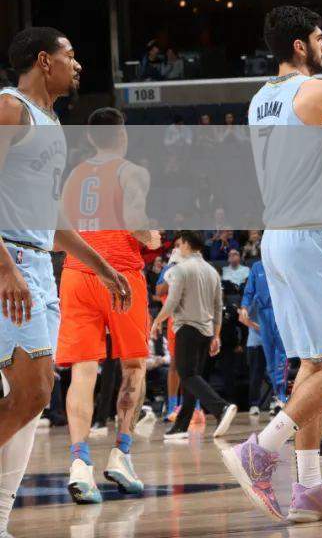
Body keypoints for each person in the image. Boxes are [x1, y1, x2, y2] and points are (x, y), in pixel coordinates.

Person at [224, 6, 322, 522]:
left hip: (276, 238)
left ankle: (308, 487)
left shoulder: (260, 99)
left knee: (314, 364)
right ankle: (261, 450)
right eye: (319, 37)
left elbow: (297, 166)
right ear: (299, 45)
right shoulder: (319, 89)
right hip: (308, 239)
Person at [0, 28, 132, 538]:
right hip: (10, 261)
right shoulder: (10, 108)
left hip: (37, 265)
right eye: (70, 56)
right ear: (43, 60)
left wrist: (101, 266)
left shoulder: (51, 123)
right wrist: (5, 268)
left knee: (29, 399)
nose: (77, 65)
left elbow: (51, 219)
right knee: (34, 391)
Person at [57, 107, 162, 503]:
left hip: (77, 273)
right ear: (123, 135)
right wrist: (150, 237)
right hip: (120, 275)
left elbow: (59, 231)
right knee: (133, 366)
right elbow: (134, 218)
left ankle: (79, 462)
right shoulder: (132, 171)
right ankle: (121, 454)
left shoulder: (74, 175)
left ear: (89, 138)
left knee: (83, 372)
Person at [150, 231, 238, 441]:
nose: (177, 249)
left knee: (187, 375)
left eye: (179, 245)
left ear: (187, 245)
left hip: (187, 328)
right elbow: (218, 307)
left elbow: (172, 301)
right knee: (192, 377)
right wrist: (216, 335)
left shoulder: (181, 269)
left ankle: (221, 407)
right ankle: (181, 426)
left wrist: (157, 320)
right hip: (206, 331)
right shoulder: (212, 271)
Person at [240, 259, 288, 416]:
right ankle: (278, 397)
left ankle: (282, 396)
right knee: (270, 363)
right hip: (263, 314)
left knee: (281, 357)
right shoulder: (257, 267)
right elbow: (249, 290)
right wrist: (244, 306)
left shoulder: (281, 260)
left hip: (280, 311)